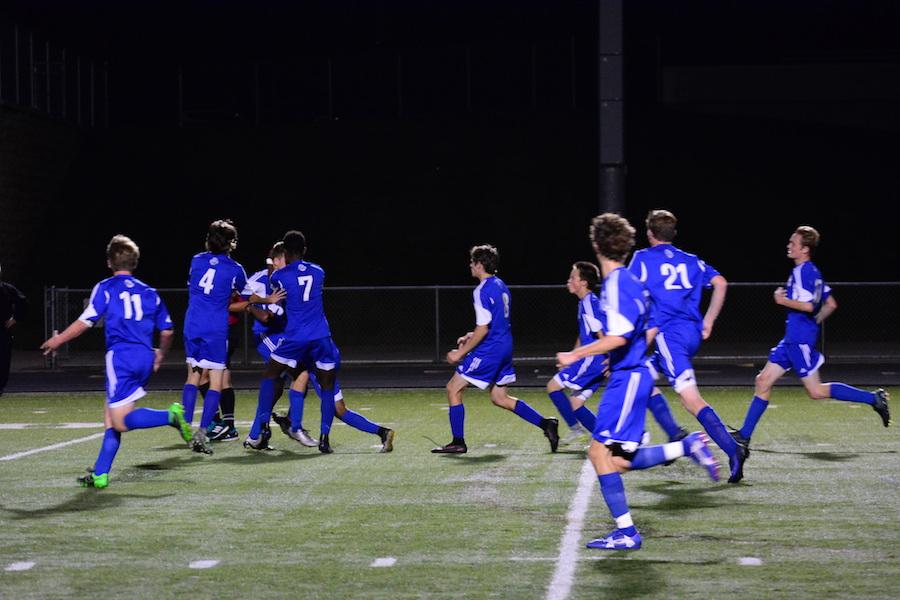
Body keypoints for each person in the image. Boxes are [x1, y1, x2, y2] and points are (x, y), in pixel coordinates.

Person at [557, 213, 719, 551]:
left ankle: (628, 533)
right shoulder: (633, 282)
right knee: (617, 461)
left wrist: (576, 355)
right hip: (635, 375)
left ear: (597, 245)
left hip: (628, 379)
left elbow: (617, 337)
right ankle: (686, 446)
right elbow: (649, 328)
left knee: (599, 453)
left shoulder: (616, 284)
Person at [731, 225, 890, 480]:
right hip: (791, 339)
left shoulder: (805, 271)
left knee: (815, 392)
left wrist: (784, 303)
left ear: (805, 249)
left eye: (793, 242)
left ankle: (874, 399)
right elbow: (830, 304)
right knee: (762, 380)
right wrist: (813, 322)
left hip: (799, 342)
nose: (789, 245)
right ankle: (744, 436)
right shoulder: (809, 271)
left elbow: (808, 304)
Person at [39, 235, 191, 489]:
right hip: (144, 356)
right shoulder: (149, 292)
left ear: (110, 262)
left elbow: (85, 321)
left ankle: (171, 416)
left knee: (120, 420)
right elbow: (167, 331)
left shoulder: (106, 287)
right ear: (135, 262)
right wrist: (160, 354)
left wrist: (58, 340)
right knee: (111, 417)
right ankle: (100, 473)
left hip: (121, 359)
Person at [244, 230, 394, 454]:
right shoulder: (318, 271)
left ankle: (275, 428)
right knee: (334, 404)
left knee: (275, 378)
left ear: (284, 253)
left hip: (299, 342)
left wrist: (260, 297)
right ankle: (378, 432)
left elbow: (270, 307)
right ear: (304, 250)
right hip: (323, 341)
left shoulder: (277, 277)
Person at [626, 209, 747, 483]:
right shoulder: (690, 260)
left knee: (690, 400)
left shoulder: (643, 259)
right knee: (641, 378)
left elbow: (630, 295)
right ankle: (674, 435)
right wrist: (709, 322)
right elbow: (720, 283)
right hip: (689, 333)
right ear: (673, 233)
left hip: (669, 337)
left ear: (649, 233)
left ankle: (733, 449)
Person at [432, 244, 560, 454]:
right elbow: (494, 322)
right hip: (504, 346)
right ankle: (546, 424)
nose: (470, 265)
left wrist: (459, 353)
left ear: (480, 265)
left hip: (491, 349)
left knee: (452, 388)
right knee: (499, 398)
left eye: (472, 262)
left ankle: (458, 442)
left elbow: (484, 329)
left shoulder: (481, 290)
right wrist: (471, 335)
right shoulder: (501, 285)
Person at [181, 219, 281, 455]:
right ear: (232, 243)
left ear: (209, 240)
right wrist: (268, 300)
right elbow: (248, 298)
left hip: (192, 323)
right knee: (216, 381)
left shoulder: (195, 260)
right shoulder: (235, 269)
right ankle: (202, 433)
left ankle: (185, 425)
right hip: (215, 328)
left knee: (192, 377)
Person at [235, 241, 316, 447]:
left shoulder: (289, 279)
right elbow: (237, 302)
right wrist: (257, 309)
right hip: (267, 336)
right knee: (300, 372)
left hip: (286, 334)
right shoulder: (259, 279)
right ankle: (290, 426)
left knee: (278, 387)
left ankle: (258, 433)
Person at [546, 261, 605, 445]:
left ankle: (576, 428)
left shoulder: (589, 304)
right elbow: (584, 334)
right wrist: (572, 356)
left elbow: (604, 335)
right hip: (593, 360)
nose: (569, 280)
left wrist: (611, 360)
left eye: (573, 277)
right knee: (576, 404)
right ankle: (605, 440)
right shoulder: (585, 302)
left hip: (593, 360)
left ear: (584, 282)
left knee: (553, 386)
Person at [0, 263, 28, 396]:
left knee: (3, 360)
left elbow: (22, 302)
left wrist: (15, 318)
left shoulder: (7, 289)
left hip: (3, 331)